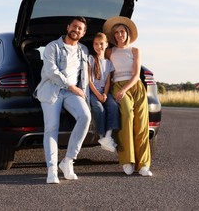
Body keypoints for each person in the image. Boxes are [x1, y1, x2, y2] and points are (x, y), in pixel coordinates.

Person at [34, 16, 91, 184]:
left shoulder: (83, 50)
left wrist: (85, 93)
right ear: (68, 28)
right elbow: (51, 72)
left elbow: (85, 76)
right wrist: (72, 87)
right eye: (74, 26)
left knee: (85, 116)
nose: (77, 30)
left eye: (80, 28)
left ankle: (68, 161)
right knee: (52, 127)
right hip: (51, 89)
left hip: (71, 93)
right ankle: (52, 169)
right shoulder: (53, 47)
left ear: (83, 33)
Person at [103, 16, 153, 177]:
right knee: (127, 117)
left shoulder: (135, 51)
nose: (119, 35)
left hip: (134, 86)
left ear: (128, 33)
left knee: (141, 123)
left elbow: (137, 74)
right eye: (116, 32)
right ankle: (127, 161)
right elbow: (103, 69)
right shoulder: (109, 51)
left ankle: (144, 164)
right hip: (117, 87)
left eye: (122, 31)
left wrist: (125, 89)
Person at [88, 32, 120, 152]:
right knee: (98, 108)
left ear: (106, 44)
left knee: (113, 106)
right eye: (96, 44)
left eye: (101, 44)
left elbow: (108, 82)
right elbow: (89, 82)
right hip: (93, 92)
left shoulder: (109, 63)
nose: (98, 46)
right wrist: (98, 95)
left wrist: (105, 94)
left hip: (104, 92)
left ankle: (108, 136)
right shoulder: (90, 59)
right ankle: (102, 136)